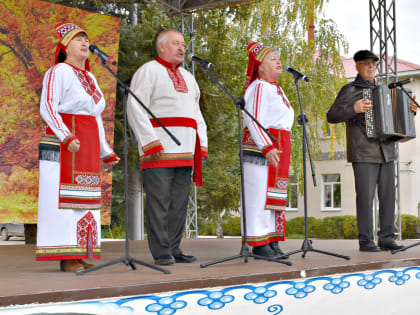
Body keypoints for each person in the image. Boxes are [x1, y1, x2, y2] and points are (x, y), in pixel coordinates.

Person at [36, 22, 119, 271]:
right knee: (63, 198)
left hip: (88, 142)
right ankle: (66, 255)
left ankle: (79, 251)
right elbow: (48, 106)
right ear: (65, 47)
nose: (85, 43)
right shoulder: (58, 71)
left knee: (85, 199)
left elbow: (95, 117)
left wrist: (106, 150)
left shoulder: (91, 77)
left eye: (86, 39)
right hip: (64, 143)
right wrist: (65, 136)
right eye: (78, 39)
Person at [127, 29, 208, 266]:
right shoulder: (148, 71)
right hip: (159, 149)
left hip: (185, 149)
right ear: (161, 46)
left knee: (179, 203)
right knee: (159, 202)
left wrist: (201, 144)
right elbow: (135, 107)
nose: (181, 48)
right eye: (176, 43)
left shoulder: (189, 78)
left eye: (183, 44)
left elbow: (196, 114)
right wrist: (149, 141)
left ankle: (174, 247)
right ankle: (161, 251)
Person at [327, 50, 417, 252]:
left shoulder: (384, 90)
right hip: (364, 152)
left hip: (387, 151)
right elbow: (331, 115)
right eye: (366, 63)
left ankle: (386, 238)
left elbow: (395, 119)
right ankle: (366, 241)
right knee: (366, 198)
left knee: (388, 197)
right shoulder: (350, 90)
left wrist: (409, 112)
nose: (371, 67)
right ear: (357, 66)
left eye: (374, 64)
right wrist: (354, 108)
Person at [241, 42, 294, 259]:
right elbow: (253, 118)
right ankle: (258, 242)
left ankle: (271, 239)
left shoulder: (275, 88)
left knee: (274, 193)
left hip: (279, 142)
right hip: (263, 145)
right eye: (272, 59)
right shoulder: (259, 86)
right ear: (260, 67)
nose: (278, 61)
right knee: (259, 193)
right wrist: (266, 146)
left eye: (278, 58)